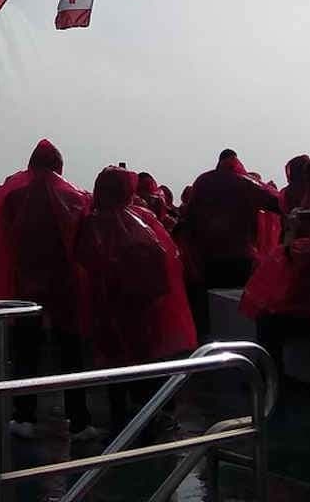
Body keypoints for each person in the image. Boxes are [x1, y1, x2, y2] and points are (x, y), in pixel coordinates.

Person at [76, 167, 196, 431]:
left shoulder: (89, 223)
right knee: (144, 362)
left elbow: (83, 260)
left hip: (104, 306)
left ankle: (118, 420)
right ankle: (150, 417)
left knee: (112, 362)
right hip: (140, 307)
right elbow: (165, 261)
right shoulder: (140, 221)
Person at [0, 139, 96, 441]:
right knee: (71, 352)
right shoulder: (74, 197)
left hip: (27, 283)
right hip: (65, 284)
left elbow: (5, 241)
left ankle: (23, 416)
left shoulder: (14, 197)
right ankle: (78, 422)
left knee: (26, 351)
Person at [179, 149, 280, 335]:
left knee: (213, 307)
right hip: (240, 257)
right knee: (236, 305)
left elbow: (188, 219)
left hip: (208, 258)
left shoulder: (203, 182)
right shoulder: (245, 183)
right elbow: (277, 202)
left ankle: (213, 344)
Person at [241, 210, 310, 370]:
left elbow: (285, 252)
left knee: (266, 322)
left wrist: (291, 230)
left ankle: (269, 375)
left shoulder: (307, 249)